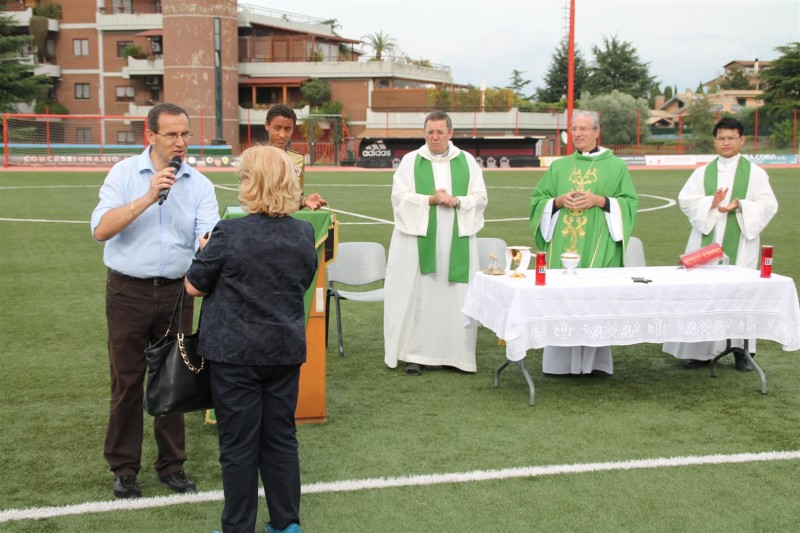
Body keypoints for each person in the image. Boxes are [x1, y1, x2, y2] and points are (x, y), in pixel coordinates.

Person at [185, 145, 317, 533]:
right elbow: (302, 279)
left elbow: (194, 286)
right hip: (283, 350)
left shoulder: (230, 231)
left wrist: (206, 251)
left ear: (251, 182)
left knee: (239, 446)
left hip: (236, 354)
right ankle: (285, 523)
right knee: (280, 440)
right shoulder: (303, 231)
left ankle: (238, 527)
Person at [90, 102, 219, 498]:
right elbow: (100, 229)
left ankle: (172, 465)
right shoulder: (124, 174)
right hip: (127, 290)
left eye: (186, 134)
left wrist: (208, 245)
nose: (181, 143)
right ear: (150, 136)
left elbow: (209, 238)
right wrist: (148, 197)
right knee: (126, 382)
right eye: (172, 135)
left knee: (174, 379)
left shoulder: (199, 184)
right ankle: (125, 468)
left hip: (177, 293)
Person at [663, 117, 778, 371]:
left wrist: (741, 206)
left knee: (740, 292)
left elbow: (768, 205)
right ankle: (699, 351)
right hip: (706, 241)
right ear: (714, 141)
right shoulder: (702, 172)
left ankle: (742, 351)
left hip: (741, 242)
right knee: (701, 292)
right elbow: (686, 200)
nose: (726, 142)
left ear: (742, 140)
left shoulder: (756, 174)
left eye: (731, 138)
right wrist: (710, 204)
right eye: (721, 138)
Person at [529, 110, 638, 376]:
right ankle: (558, 364)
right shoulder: (558, 166)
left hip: (597, 246)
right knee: (562, 299)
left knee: (594, 300)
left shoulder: (616, 166)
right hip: (562, 245)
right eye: (573, 129)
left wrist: (599, 201)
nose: (577, 134)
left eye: (583, 129)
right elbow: (537, 200)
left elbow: (629, 203)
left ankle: (594, 364)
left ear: (596, 132)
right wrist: (556, 201)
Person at [384, 110, 488, 375]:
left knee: (454, 295)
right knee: (419, 296)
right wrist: (428, 200)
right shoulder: (410, 161)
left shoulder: (467, 161)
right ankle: (414, 355)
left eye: (440, 131)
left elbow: (480, 198)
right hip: (417, 243)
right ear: (424, 133)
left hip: (457, 242)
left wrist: (457, 201)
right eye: (430, 131)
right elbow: (399, 198)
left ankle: (456, 355)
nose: (435, 137)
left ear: (451, 133)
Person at [265, 104, 327, 210]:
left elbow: (295, 200)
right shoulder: (252, 157)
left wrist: (304, 201)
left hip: (287, 222)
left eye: (287, 129)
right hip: (259, 223)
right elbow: (247, 199)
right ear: (267, 126)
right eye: (277, 128)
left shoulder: (298, 159)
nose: (282, 135)